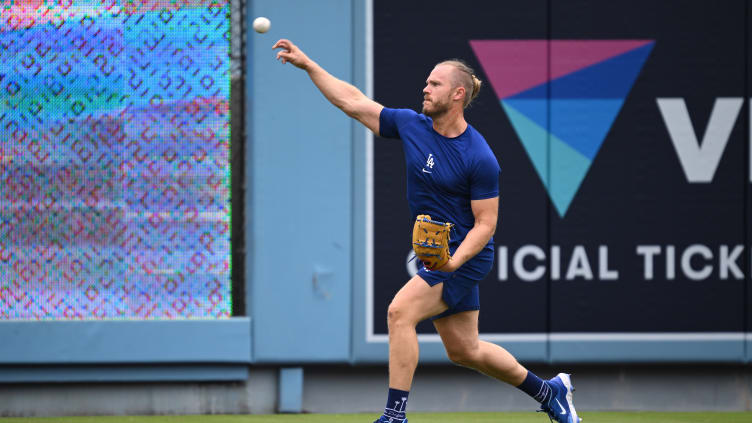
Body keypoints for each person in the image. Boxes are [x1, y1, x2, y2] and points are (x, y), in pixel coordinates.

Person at [272, 38, 581, 423]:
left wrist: (454, 261)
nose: (425, 88)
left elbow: (486, 225)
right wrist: (309, 64)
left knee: (399, 313)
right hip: (442, 257)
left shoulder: (479, 156)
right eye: (426, 82)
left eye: (434, 84)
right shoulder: (412, 125)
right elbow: (352, 101)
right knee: (464, 350)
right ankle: (549, 391)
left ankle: (394, 416)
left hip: (466, 257)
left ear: (457, 94)